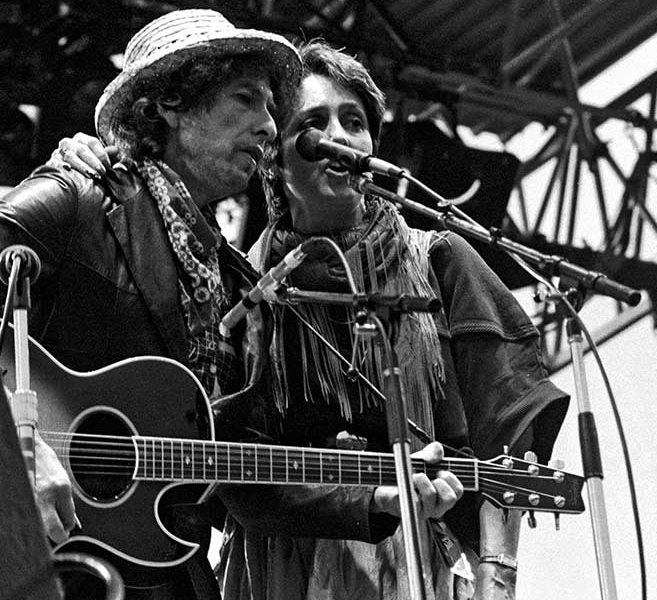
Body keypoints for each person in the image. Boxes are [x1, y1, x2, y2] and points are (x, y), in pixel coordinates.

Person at [55, 40, 570, 599]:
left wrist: (499, 578)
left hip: (416, 560)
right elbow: (228, 453)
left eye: (354, 121)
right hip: (275, 567)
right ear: (274, 152)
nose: (340, 138)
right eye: (314, 123)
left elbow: (506, 430)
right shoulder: (239, 285)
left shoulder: (439, 259)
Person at [5, 10, 462, 599]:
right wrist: (18, 452)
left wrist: (380, 497)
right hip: (33, 556)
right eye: (247, 100)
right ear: (169, 103)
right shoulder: (80, 199)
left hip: (158, 574)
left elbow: (244, 473)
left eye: (271, 108)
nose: (270, 127)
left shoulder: (233, 283)